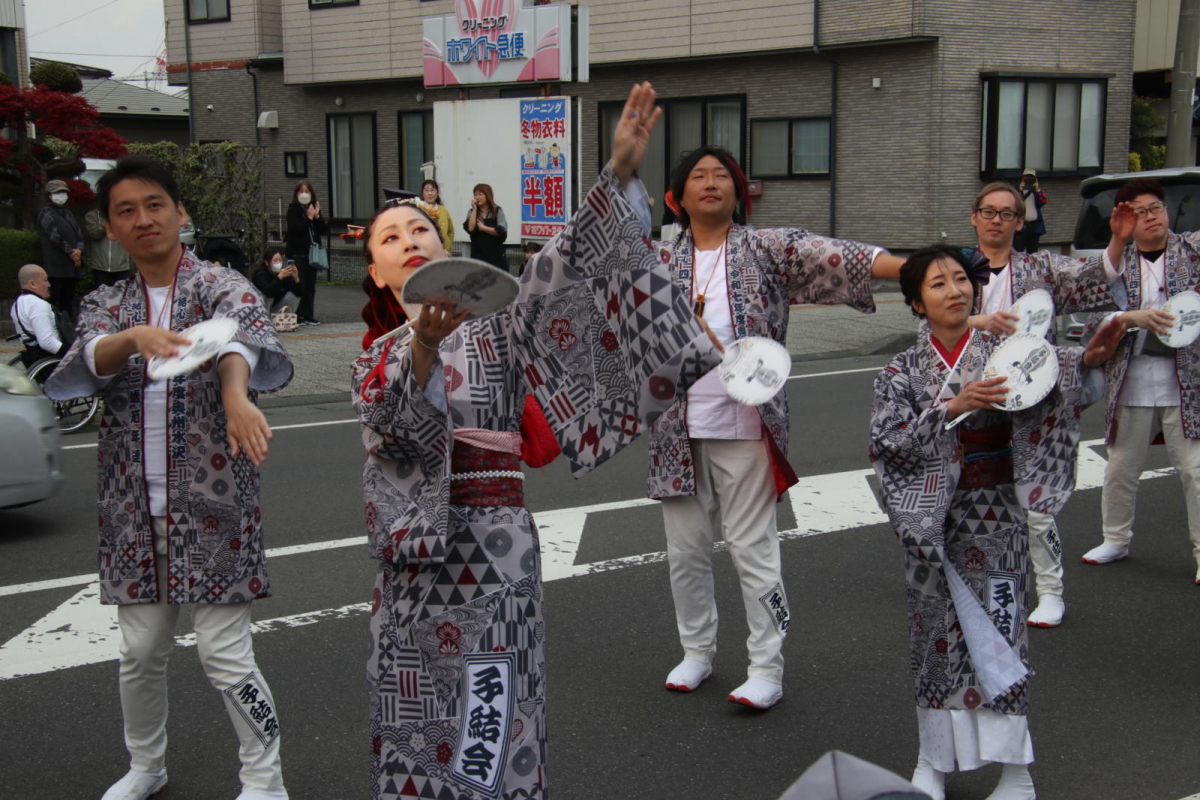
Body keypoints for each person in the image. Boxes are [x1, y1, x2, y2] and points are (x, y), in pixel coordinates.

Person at [351, 83, 721, 800]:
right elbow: (390, 429)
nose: (409, 238)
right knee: (419, 699)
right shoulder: (375, 354)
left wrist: (615, 175)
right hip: (414, 555)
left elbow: (570, 264)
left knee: (497, 694)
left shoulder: (505, 321)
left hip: (493, 544)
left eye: (419, 227)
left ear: (445, 242)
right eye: (390, 237)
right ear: (377, 273)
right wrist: (422, 352)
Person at [44, 155, 294, 800]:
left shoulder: (219, 282)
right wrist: (134, 338)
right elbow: (84, 360)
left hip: (213, 501)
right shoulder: (107, 300)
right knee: (140, 652)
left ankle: (265, 781)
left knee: (225, 653)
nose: (143, 219)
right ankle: (146, 767)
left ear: (180, 213)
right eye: (126, 211)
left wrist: (236, 394)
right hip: (133, 505)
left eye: (155, 204)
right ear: (110, 228)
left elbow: (240, 334)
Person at [647, 144, 905, 710]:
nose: (711, 182)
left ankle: (767, 666)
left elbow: (833, 257)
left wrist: (912, 269)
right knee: (685, 552)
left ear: (739, 192)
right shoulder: (657, 260)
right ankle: (697, 651)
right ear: (676, 196)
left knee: (753, 550)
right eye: (698, 176)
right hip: (675, 431)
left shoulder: (765, 247)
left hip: (746, 422)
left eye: (722, 175)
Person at [870, 245, 1123, 800]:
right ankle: (932, 761)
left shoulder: (1008, 351)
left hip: (996, 513)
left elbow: (1053, 382)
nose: (954, 290)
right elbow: (886, 443)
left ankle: (1016, 771)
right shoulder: (899, 371)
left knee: (1003, 635)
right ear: (916, 303)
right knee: (936, 639)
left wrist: (1089, 361)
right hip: (932, 522)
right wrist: (951, 408)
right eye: (937, 285)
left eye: (961, 279)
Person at [964, 181, 1132, 627]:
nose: (997, 220)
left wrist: (1117, 240)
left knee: (1035, 507)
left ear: (1021, 222)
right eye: (989, 211)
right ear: (974, 217)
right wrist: (974, 319)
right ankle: (974, 591)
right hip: (969, 398)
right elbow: (927, 312)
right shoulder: (957, 269)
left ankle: (1051, 591)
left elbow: (1092, 277)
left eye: (1007, 213)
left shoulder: (1040, 266)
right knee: (970, 503)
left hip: (1031, 400)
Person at [1079, 177, 1200, 583]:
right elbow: (1091, 320)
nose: (1151, 217)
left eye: (1156, 208)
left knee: (1195, 470)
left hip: (1187, 381)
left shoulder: (1194, 251)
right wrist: (1132, 318)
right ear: (1125, 218)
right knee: (1120, 468)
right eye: (1140, 211)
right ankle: (1115, 538)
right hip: (1131, 378)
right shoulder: (1117, 263)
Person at [36, 178, 84, 323]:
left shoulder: (68, 213)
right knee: (55, 301)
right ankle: (57, 330)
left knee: (68, 302)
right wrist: (71, 252)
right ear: (50, 195)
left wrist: (79, 251)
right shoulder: (46, 212)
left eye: (64, 192)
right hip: (55, 266)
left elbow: (79, 235)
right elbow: (54, 236)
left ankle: (68, 331)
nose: (62, 195)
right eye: (58, 192)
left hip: (71, 267)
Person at [285, 180, 329, 325]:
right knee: (300, 283)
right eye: (301, 191)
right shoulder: (293, 209)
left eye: (307, 191)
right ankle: (299, 315)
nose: (304, 194)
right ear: (296, 194)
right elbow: (295, 229)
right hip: (298, 253)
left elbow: (324, 230)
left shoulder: (313, 208)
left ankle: (309, 315)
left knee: (311, 286)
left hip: (312, 253)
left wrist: (317, 217)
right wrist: (309, 218)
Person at [10, 263, 69, 367]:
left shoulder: (17, 303)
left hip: (33, 354)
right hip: (51, 359)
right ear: (32, 284)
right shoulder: (38, 305)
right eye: (45, 280)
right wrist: (72, 354)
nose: (49, 285)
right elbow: (47, 342)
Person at [463, 182, 508, 271]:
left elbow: (501, 231)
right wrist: (475, 209)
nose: (477, 197)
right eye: (475, 195)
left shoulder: (497, 210)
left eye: (480, 194)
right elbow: (470, 228)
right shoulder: (471, 211)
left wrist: (484, 228)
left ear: (488, 195)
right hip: (478, 255)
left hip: (495, 255)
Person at [85, 206, 133, 287]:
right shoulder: (92, 215)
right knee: (102, 295)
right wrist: (106, 223)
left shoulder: (123, 215)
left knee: (122, 295)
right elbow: (94, 233)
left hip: (121, 266)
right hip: (100, 266)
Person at [252, 247, 302, 314]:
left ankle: (286, 318)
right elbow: (268, 292)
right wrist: (279, 277)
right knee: (268, 296)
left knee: (293, 296)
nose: (278, 263)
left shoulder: (284, 273)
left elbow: (299, 293)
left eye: (280, 260)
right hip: (262, 308)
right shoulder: (261, 274)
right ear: (267, 262)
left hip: (276, 308)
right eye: (275, 260)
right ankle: (265, 319)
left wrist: (296, 278)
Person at [1013, 170, 1047, 253]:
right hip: (1021, 228)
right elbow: (1015, 204)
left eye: (1031, 178)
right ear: (1022, 179)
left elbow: (1043, 202)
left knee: (1033, 253)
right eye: (1026, 178)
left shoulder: (1037, 192)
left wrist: (1037, 190)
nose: (1028, 180)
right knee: (1018, 252)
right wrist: (1021, 190)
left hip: (1034, 227)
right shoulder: (1016, 191)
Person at [421, 179, 455, 252]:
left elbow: (450, 231)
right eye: (427, 190)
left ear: (437, 192)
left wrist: (448, 248)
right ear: (422, 193)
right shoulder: (419, 209)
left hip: (443, 250)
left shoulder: (443, 210)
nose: (430, 193)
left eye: (432, 190)